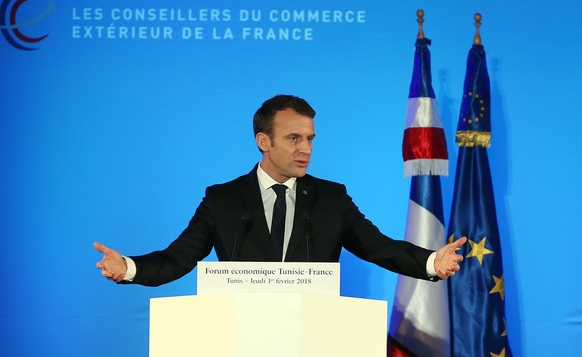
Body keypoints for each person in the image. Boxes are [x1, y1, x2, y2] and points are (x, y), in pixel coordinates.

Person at [95, 94, 466, 286]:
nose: (305, 148)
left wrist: (432, 261)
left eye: (309, 138)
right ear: (264, 141)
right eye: (293, 138)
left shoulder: (331, 199)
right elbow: (177, 258)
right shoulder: (223, 200)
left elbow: (378, 246)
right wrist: (128, 267)